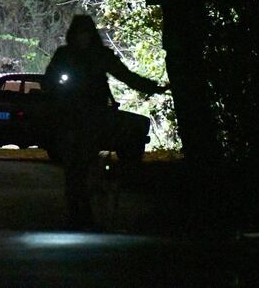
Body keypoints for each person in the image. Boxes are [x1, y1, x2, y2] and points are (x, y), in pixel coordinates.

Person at [43, 15, 168, 227]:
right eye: (80, 33)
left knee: (85, 161)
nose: (83, 38)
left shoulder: (100, 55)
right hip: (72, 117)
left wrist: (152, 87)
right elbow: (49, 81)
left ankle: (89, 207)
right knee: (74, 169)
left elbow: (125, 75)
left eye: (87, 33)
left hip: (95, 116)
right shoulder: (65, 55)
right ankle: (78, 214)